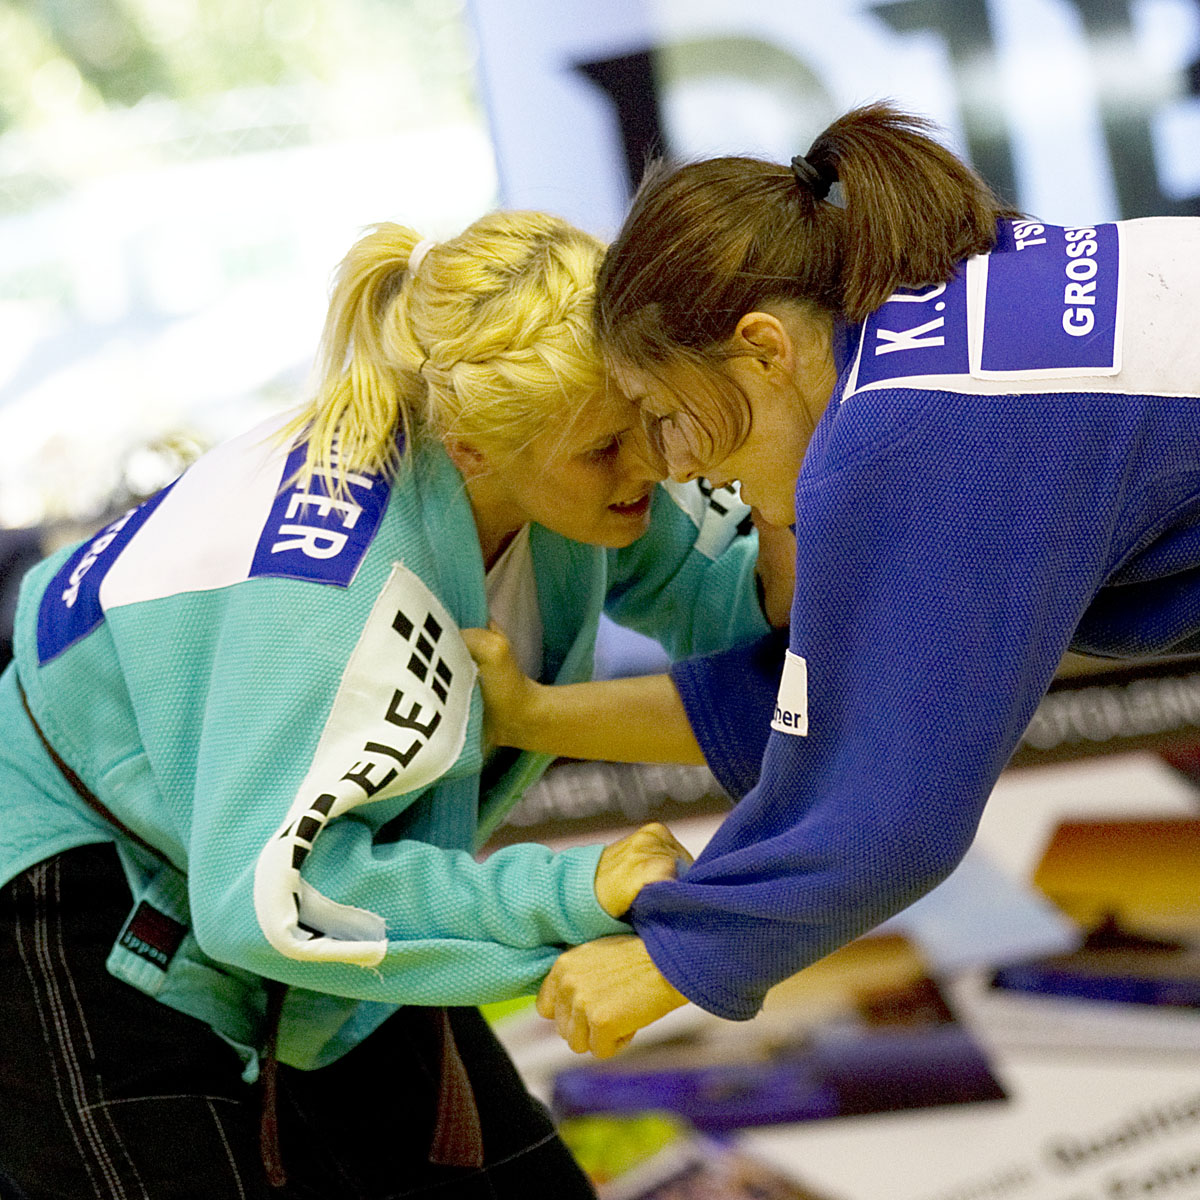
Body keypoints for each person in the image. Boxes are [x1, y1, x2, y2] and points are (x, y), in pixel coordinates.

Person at [0, 211, 781, 1198]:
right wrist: (571, 896)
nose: (652, 468)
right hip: (69, 874)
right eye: (606, 451)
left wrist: (798, 508)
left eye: (650, 423)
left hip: (272, 850)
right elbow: (273, 902)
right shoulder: (339, 602)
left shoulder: (571, 434)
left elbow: (727, 607)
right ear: (471, 449)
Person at [476, 103, 1200, 1059]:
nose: (676, 466)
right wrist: (533, 717)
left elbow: (888, 811)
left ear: (764, 349)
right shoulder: (932, 315)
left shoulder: (903, 435)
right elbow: (839, 698)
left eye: (663, 414)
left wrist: (674, 953)